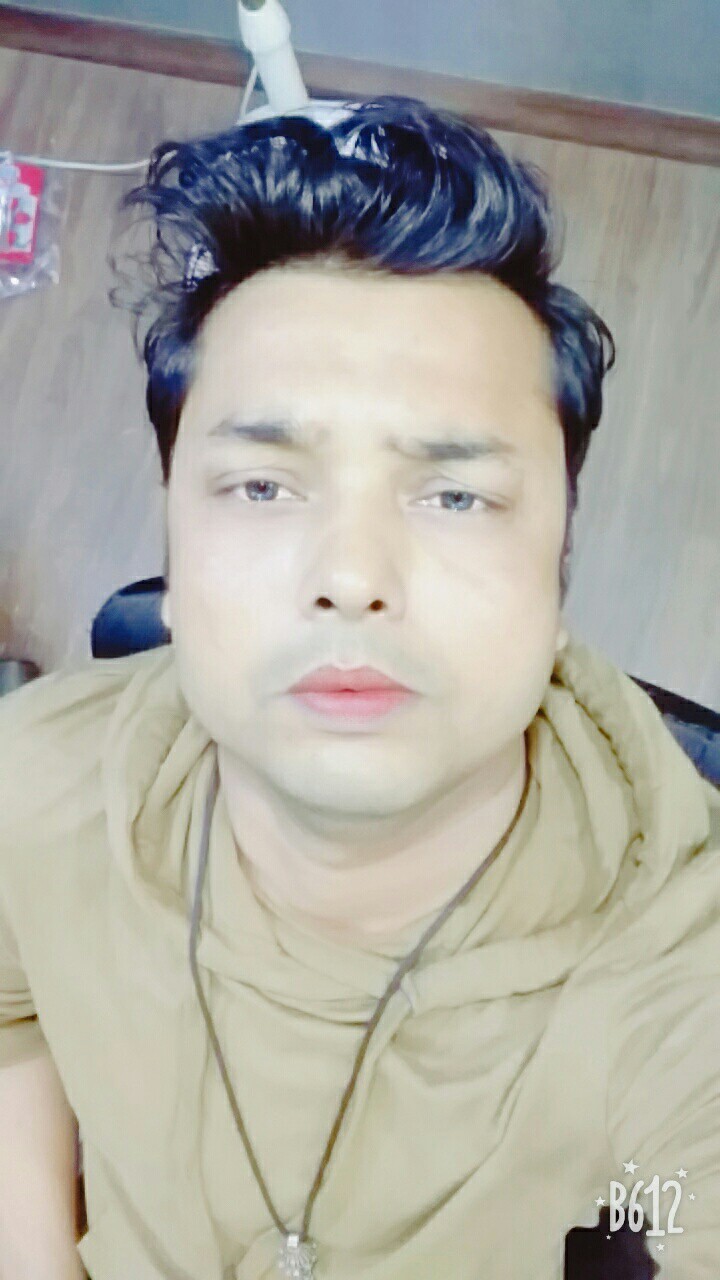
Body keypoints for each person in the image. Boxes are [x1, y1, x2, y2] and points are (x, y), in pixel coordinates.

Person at [0, 94, 718, 1280]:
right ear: (173, 544)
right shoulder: (30, 783)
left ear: (561, 567)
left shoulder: (683, 974)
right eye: (263, 486)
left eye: (454, 495)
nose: (350, 576)